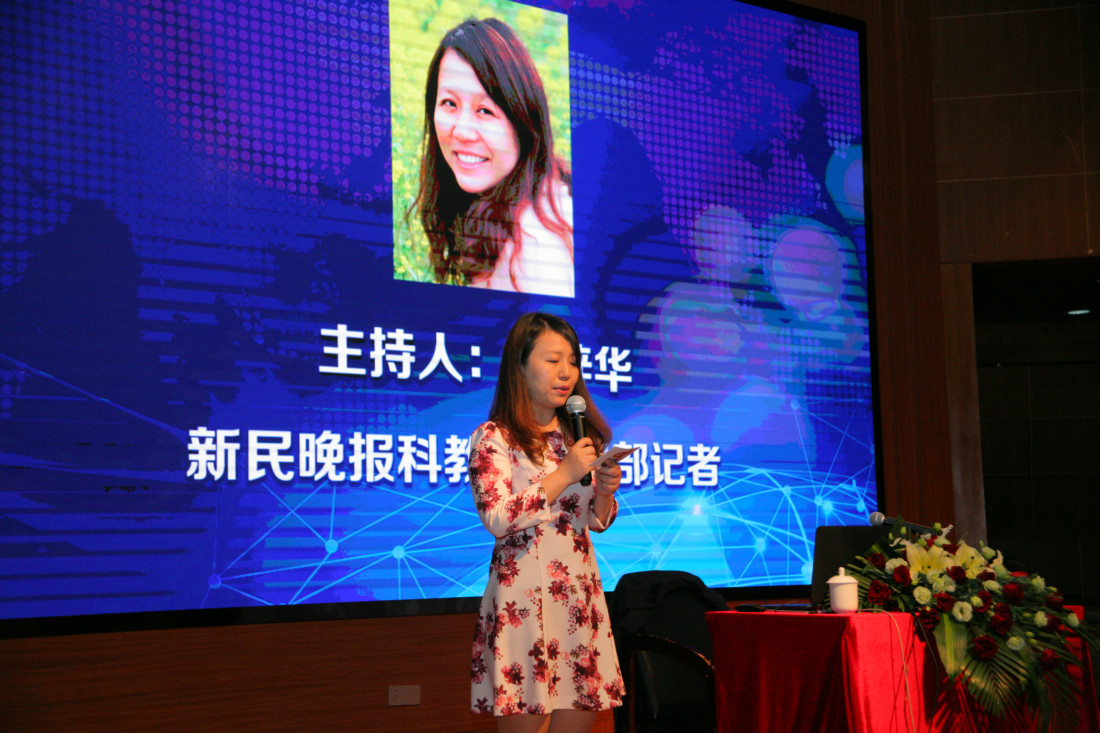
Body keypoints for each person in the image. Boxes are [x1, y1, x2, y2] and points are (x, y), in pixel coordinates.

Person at [469, 312, 624, 733]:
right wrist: (564, 474)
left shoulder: (577, 437)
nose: (566, 372)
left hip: (578, 598)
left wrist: (604, 491)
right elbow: (497, 517)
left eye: (572, 361)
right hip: (522, 604)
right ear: (519, 367)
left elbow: (592, 521)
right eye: (553, 360)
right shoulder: (495, 437)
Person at [410, 18, 574, 298]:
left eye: (485, 111)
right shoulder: (518, 202)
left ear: (522, 120)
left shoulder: (534, 252)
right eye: (449, 103)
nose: (462, 131)